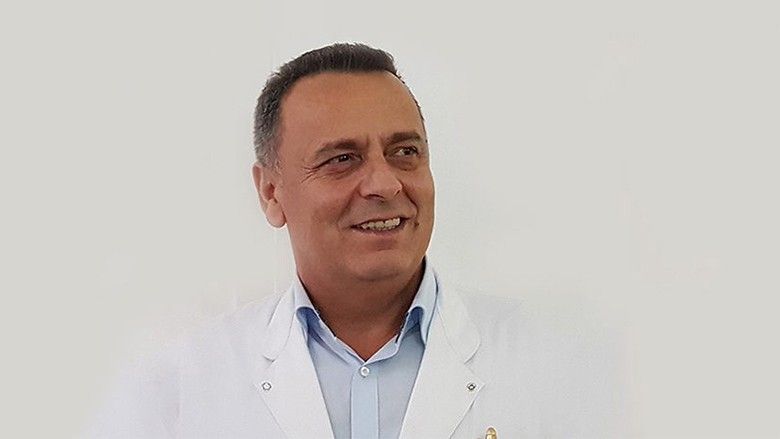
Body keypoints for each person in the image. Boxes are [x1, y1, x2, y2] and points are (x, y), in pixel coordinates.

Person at [89, 43, 625, 438]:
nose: (385, 184)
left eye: (405, 152)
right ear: (271, 193)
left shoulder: (560, 367)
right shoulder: (182, 383)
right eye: (341, 159)